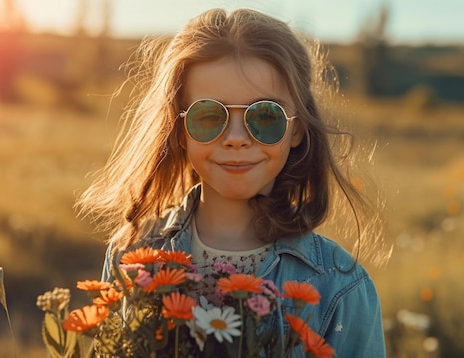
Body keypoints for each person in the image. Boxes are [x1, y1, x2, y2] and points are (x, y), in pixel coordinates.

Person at [78, 7, 391, 357]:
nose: (237, 138)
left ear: (298, 128)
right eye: (210, 115)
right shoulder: (133, 256)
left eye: (265, 115)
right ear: (179, 129)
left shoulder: (340, 287)